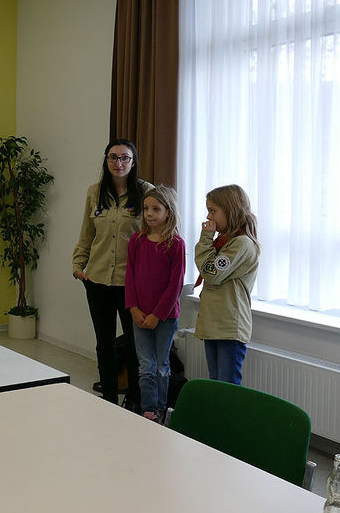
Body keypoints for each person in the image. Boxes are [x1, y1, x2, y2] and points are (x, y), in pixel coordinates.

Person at [72, 139, 152, 408]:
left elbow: (157, 237)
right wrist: (78, 265)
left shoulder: (146, 193)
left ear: (133, 161)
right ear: (106, 161)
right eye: (113, 157)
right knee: (104, 343)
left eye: (125, 158)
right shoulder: (95, 192)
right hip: (98, 280)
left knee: (134, 344)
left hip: (133, 285)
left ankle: (134, 399)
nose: (119, 163)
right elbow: (87, 233)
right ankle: (107, 398)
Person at [125, 185, 185, 423]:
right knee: (145, 364)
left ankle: (160, 408)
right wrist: (134, 308)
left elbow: (175, 285)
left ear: (168, 212)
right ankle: (148, 408)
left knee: (161, 364)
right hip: (139, 314)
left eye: (155, 209)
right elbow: (129, 277)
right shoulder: (137, 241)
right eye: (146, 209)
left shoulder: (175, 244)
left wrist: (157, 315)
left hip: (165, 318)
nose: (149, 214)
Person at [194, 184, 260, 385]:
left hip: (229, 326)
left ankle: (228, 418)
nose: (208, 217)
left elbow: (211, 274)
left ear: (230, 210)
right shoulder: (225, 241)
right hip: (216, 324)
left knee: (227, 387)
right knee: (216, 384)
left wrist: (206, 238)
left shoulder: (241, 244)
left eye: (213, 211)